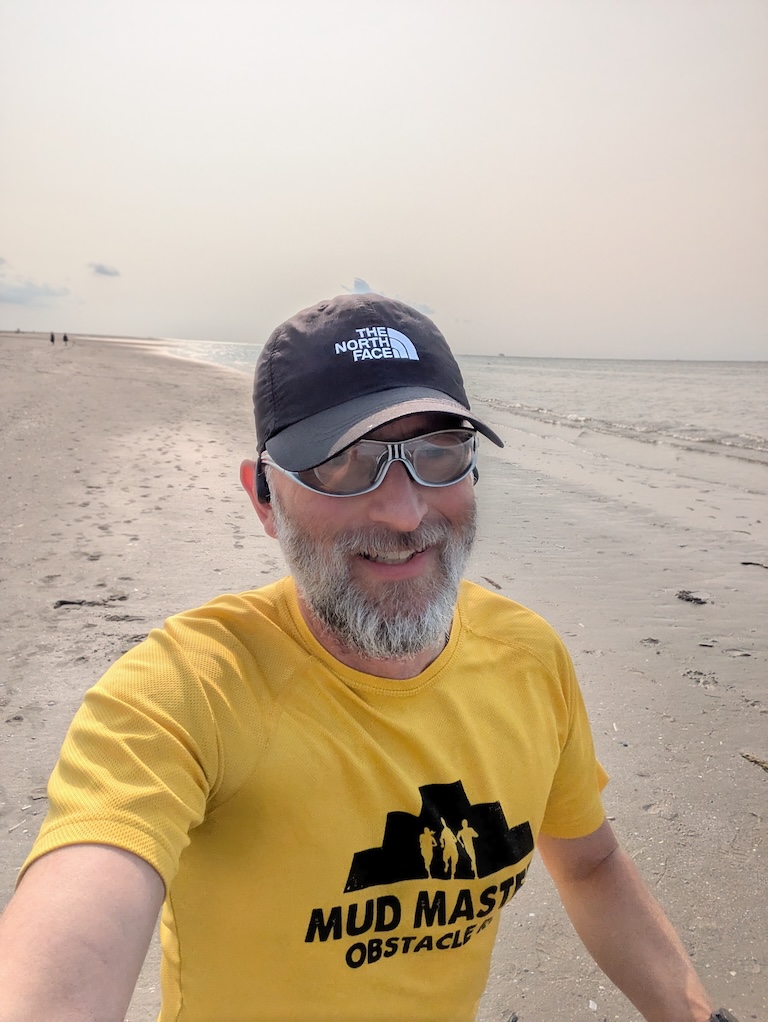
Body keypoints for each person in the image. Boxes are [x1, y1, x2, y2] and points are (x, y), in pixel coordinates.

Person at [0, 295, 734, 1022]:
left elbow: (590, 863)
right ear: (262, 497)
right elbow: (78, 918)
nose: (405, 513)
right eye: (343, 464)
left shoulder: (529, 659)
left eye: (438, 452)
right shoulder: (187, 691)